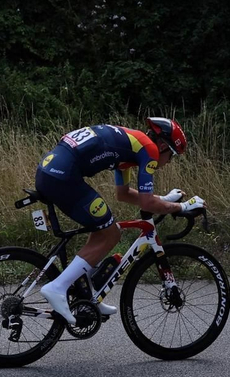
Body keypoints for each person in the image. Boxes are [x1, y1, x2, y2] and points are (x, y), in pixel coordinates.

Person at [33, 119, 200, 324]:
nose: (168, 163)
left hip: (50, 172)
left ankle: (86, 293)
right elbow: (146, 203)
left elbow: (124, 194)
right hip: (63, 178)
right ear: (164, 145)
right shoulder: (149, 150)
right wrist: (182, 207)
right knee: (112, 234)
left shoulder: (131, 147)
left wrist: (164, 199)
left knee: (102, 228)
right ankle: (57, 288)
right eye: (172, 156)